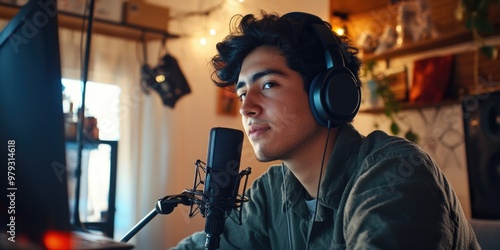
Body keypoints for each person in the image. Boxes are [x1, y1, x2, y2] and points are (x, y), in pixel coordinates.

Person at [173, 11, 480, 249]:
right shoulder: (272, 190)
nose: (245, 108)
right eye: (242, 94)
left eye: (268, 84)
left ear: (329, 94)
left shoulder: (394, 174)